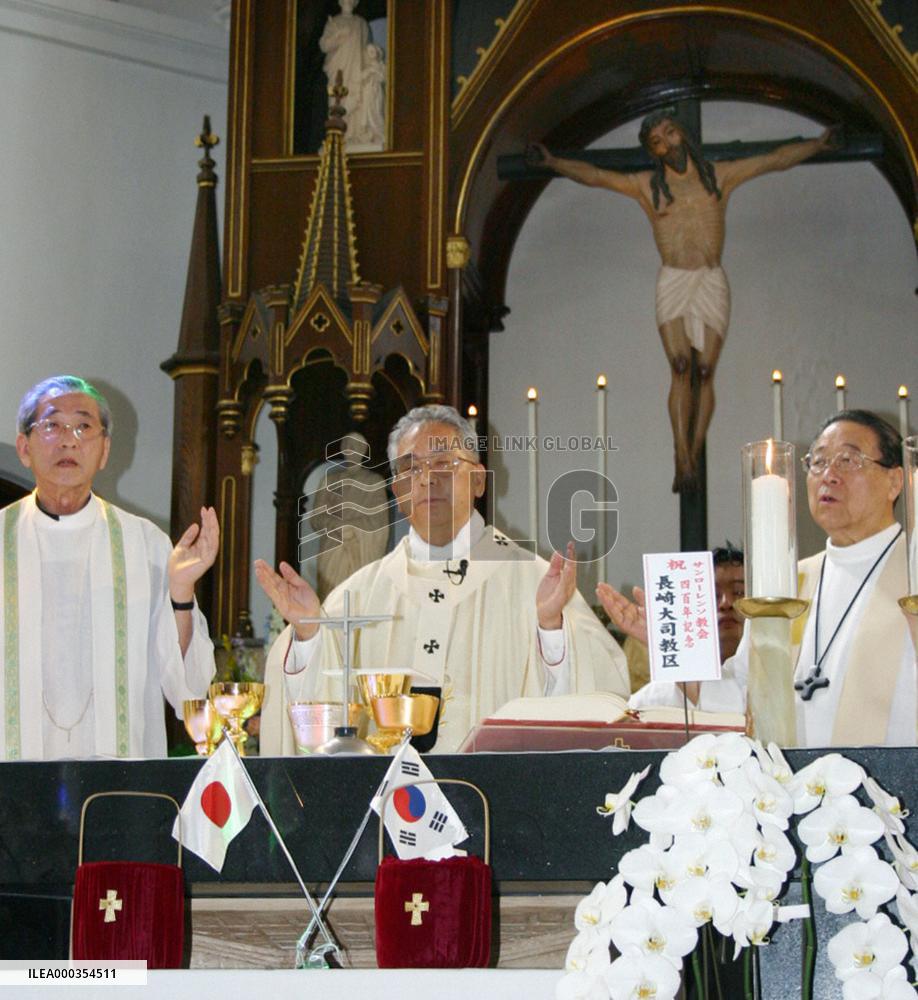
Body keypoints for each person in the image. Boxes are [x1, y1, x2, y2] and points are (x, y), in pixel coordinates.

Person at [257, 404, 629, 753]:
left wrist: (551, 630)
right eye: (411, 469)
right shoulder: (357, 595)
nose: (427, 479)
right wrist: (309, 635)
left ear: (479, 480)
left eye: (444, 463)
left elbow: (598, 700)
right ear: (397, 492)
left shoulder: (537, 583)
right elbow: (315, 718)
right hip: (384, 808)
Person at [527, 114, 838, 492]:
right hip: (674, 279)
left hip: (709, 279)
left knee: (704, 370)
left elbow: (774, 159)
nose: (666, 144)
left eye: (670, 132)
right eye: (656, 141)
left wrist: (819, 144)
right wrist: (554, 162)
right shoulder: (647, 186)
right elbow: (595, 175)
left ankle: (695, 445)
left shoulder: (718, 178)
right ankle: (683, 458)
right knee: (679, 365)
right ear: (652, 151)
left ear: (683, 135)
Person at [603, 410, 916, 747]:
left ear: (895, 481)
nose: (829, 475)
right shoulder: (788, 581)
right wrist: (672, 647)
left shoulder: (911, 576)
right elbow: (744, 695)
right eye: (819, 462)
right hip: (788, 790)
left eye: (848, 460)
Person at [0, 375, 218, 760]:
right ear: (23, 447)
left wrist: (181, 593)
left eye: (84, 426)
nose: (69, 439)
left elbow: (186, 688)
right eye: (52, 425)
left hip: (119, 785)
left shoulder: (145, 544)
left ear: (103, 451)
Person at [608, 543, 746, 698]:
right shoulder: (655, 697)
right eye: (714, 595)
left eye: (739, 592)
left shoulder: (771, 675)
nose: (725, 603)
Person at [308, 432, 390, 600]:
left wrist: (351, 527)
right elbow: (316, 518)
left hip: (360, 551)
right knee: (329, 598)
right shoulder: (330, 480)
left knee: (359, 600)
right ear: (342, 448)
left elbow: (379, 521)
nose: (351, 449)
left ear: (363, 451)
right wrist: (334, 525)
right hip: (332, 548)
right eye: (347, 445)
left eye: (356, 446)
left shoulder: (374, 482)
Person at [319, 0, 370, 132]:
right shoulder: (334, 22)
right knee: (337, 99)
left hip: (355, 68)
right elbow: (324, 45)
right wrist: (339, 35)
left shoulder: (361, 23)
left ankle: (354, 133)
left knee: (355, 98)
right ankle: (336, 133)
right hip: (338, 68)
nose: (348, 2)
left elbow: (366, 49)